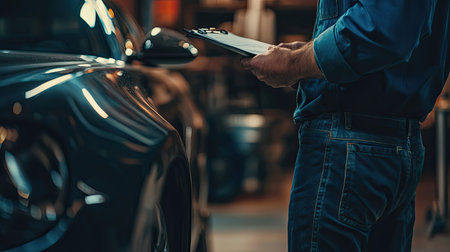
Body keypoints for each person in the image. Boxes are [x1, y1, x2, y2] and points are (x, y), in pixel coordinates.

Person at [241, 1, 449, 251]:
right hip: (399, 143)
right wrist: (307, 51)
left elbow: (384, 29)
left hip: (348, 145)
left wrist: (293, 65)